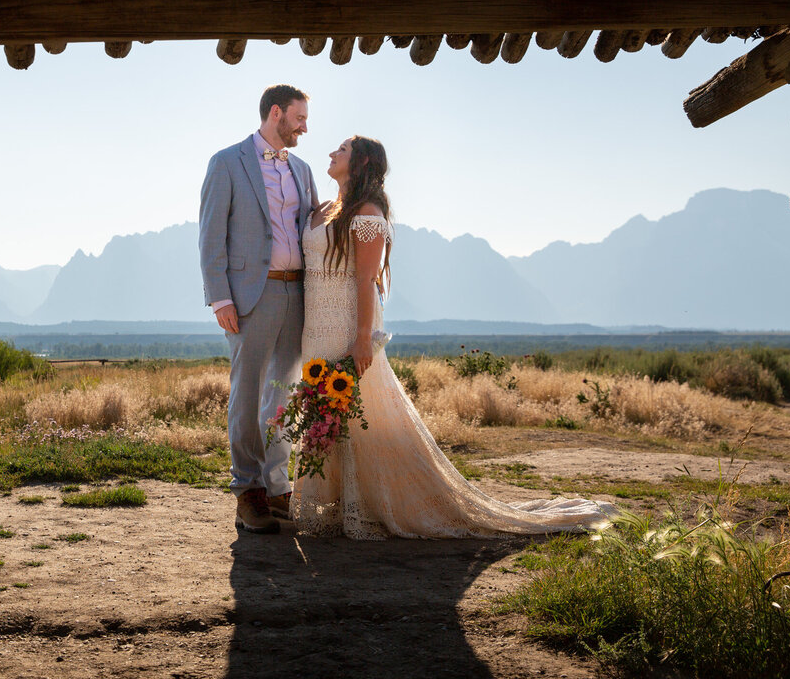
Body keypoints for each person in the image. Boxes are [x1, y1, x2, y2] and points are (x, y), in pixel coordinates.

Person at [292, 136, 616, 539]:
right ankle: (342, 504)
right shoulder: (322, 209)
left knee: (365, 414)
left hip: (346, 324)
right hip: (315, 327)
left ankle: (379, 504)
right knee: (327, 414)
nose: (331, 153)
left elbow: (365, 280)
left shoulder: (368, 213)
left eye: (341, 150)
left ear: (360, 163)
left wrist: (361, 339)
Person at [199, 85, 320, 534]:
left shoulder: (303, 170)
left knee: (283, 396)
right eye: (300, 118)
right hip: (250, 296)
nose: (305, 127)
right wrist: (220, 297)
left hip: (296, 294)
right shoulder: (227, 162)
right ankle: (247, 489)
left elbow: (309, 228)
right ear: (276, 113)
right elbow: (211, 235)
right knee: (247, 395)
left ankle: (276, 485)